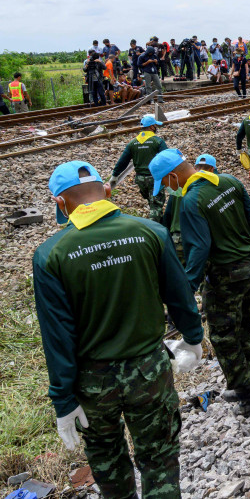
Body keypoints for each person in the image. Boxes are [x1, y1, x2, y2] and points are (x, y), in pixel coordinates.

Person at [34, 160, 204, 498]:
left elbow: (58, 337)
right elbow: (179, 293)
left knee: (109, 467)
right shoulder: (150, 232)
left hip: (93, 382)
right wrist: (193, 338)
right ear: (108, 192)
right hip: (149, 371)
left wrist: (63, 400)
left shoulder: (50, 255)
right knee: (159, 460)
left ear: (60, 203)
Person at [152, 149, 250, 417]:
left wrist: (188, 289)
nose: (168, 191)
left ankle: (247, 397)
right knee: (244, 327)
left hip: (226, 276)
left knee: (224, 336)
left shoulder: (191, 201)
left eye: (166, 184)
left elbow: (199, 249)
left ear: (172, 177)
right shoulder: (228, 181)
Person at [111, 115, 169, 220]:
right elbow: (167, 158)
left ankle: (157, 221)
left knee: (151, 202)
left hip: (140, 179)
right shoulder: (158, 141)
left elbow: (123, 161)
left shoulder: (133, 143)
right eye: (155, 125)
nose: (156, 127)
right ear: (152, 127)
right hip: (155, 179)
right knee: (156, 206)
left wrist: (115, 175)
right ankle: (155, 229)